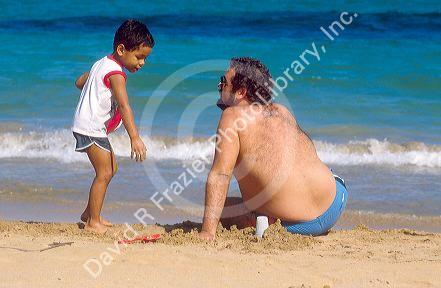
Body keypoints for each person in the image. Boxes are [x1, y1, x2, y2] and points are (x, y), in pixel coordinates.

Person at [199, 57, 348, 240]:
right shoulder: (282, 111)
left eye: (223, 82)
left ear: (241, 92)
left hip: (299, 225)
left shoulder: (232, 118)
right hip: (336, 201)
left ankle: (264, 221)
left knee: (224, 209)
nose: (219, 86)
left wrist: (207, 231)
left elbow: (221, 174)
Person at [72, 19, 154, 233]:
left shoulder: (101, 63)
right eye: (139, 56)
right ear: (121, 49)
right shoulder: (116, 73)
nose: (142, 63)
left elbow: (79, 82)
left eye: (145, 58)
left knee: (111, 169)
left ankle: (90, 212)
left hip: (90, 127)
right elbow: (125, 106)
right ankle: (93, 222)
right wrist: (134, 138)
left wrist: (92, 85)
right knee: (105, 172)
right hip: (91, 128)